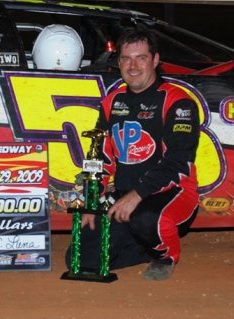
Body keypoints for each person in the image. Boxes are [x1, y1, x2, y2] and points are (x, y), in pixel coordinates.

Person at [66, 28, 200, 280]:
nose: (133, 66)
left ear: (156, 60)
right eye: (126, 59)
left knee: (146, 220)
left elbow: (178, 161)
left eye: (141, 58)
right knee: (81, 259)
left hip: (173, 194)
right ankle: (144, 244)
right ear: (119, 63)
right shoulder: (112, 101)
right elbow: (99, 158)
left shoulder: (178, 101)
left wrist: (136, 195)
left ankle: (163, 257)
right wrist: (91, 202)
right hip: (125, 197)